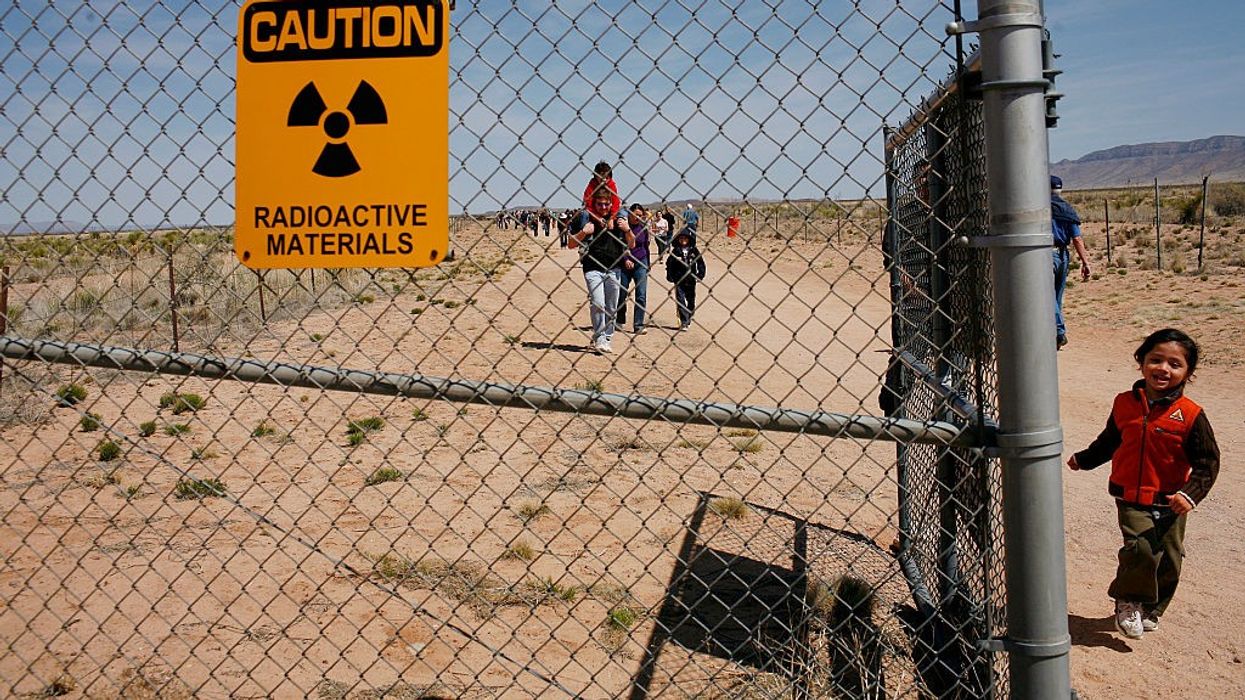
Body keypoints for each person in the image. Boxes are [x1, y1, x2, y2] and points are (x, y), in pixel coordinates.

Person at [1067, 328, 1220, 640]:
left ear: (1188, 372)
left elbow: (1208, 461)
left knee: (1170, 558)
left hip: (1171, 500)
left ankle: (1153, 608)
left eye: (1175, 364)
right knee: (1141, 549)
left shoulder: (1190, 415)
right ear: (1141, 362)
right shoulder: (1124, 403)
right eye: (1156, 360)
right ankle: (1128, 600)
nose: (1163, 368)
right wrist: (1084, 459)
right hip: (1130, 495)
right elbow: (1110, 440)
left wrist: (1189, 495)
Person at [568, 190, 633, 353]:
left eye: (606, 204)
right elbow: (570, 244)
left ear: (611, 204)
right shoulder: (587, 219)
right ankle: (600, 338)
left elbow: (631, 244)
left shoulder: (618, 221)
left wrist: (627, 230)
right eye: (599, 204)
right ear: (594, 204)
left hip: (614, 268)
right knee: (598, 302)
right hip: (592, 268)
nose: (603, 207)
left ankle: (607, 336)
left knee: (611, 306)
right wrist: (584, 232)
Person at [1051, 175, 1092, 349]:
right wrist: (1085, 262)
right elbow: (1077, 238)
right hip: (1063, 254)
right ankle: (1054, 334)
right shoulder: (1066, 209)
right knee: (1057, 296)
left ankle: (1059, 332)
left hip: (1046, 254)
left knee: (1047, 296)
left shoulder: (1042, 209)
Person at [616, 203, 652, 334]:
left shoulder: (643, 229)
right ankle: (619, 320)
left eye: (640, 215)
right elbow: (619, 247)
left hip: (641, 263)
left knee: (641, 295)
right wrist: (625, 259)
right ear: (629, 214)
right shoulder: (622, 228)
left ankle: (638, 324)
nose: (638, 217)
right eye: (636, 214)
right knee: (622, 294)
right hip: (625, 265)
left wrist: (648, 264)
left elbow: (645, 247)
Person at [665, 228, 706, 330]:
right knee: (680, 300)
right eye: (681, 238)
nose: (683, 240)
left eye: (685, 238)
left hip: (691, 279)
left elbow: (701, 263)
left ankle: (689, 315)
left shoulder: (694, 250)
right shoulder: (676, 251)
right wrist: (670, 276)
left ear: (689, 239)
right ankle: (684, 322)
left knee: (691, 300)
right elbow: (669, 263)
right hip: (679, 279)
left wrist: (700, 274)